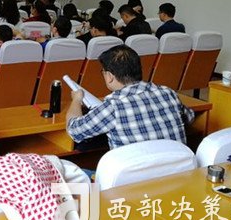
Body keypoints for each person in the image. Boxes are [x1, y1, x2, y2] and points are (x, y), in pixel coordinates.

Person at [66, 45, 195, 149]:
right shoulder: (168, 92)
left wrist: (77, 99)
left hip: (135, 175)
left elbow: (73, 130)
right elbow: (190, 117)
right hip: (180, 171)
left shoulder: (113, 106)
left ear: (110, 76)